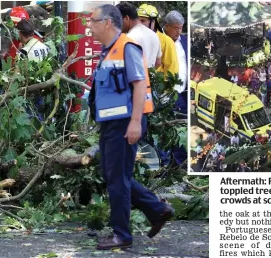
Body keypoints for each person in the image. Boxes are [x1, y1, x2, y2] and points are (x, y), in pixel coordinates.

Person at [87, 4, 172, 250]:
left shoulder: (127, 47)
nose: (89, 26)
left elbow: (139, 85)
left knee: (117, 180)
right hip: (111, 123)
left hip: (125, 122)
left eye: (93, 21)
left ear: (107, 23)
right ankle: (157, 209)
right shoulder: (109, 50)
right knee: (114, 175)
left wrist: (135, 123)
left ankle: (121, 234)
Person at [116, 2, 161, 69]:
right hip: (149, 78)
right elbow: (158, 63)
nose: (117, 25)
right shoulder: (155, 36)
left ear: (126, 18)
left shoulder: (128, 38)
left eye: (118, 20)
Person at [162, 9, 188, 94]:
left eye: (181, 28)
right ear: (167, 26)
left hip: (184, 93)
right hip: (165, 93)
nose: (179, 32)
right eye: (176, 28)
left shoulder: (184, 41)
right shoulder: (157, 39)